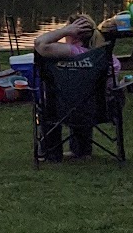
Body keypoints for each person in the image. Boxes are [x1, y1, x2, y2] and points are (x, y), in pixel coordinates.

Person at [30, 11, 124, 160]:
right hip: (100, 110)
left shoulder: (69, 53)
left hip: (59, 110)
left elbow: (39, 44)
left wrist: (64, 31)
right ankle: (82, 150)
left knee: (61, 99)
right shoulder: (109, 59)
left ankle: (51, 152)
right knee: (86, 97)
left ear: (73, 34)